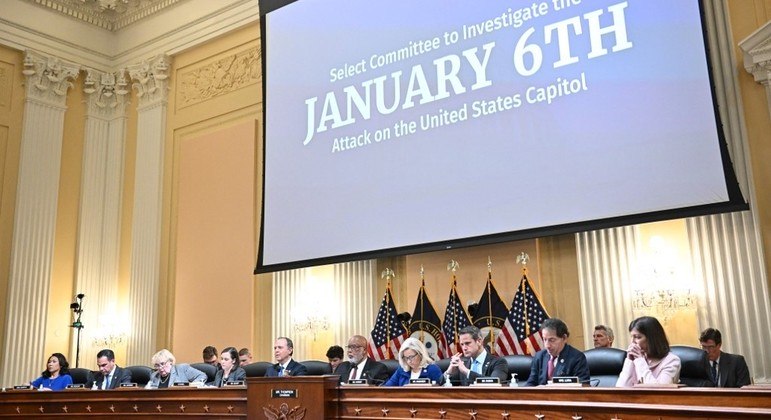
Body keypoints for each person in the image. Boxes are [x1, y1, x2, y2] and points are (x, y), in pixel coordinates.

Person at [616, 316, 681, 387]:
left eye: (637, 337)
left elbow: (659, 392)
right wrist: (629, 362)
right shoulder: (635, 359)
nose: (632, 342)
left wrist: (640, 361)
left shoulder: (672, 361)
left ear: (652, 339)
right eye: (631, 337)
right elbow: (620, 389)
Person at [525, 318, 590, 386]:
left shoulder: (577, 358)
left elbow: (583, 387)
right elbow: (530, 384)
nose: (547, 345)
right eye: (544, 339)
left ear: (564, 338)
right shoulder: (539, 357)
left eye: (552, 340)